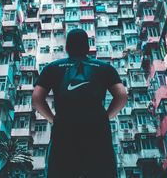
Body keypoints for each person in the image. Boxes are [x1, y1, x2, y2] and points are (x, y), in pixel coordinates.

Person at [32, 29, 128, 178]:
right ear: (88, 47)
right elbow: (121, 95)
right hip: (97, 131)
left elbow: (37, 98)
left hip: (64, 131)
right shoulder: (104, 68)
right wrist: (105, 117)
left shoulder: (52, 68)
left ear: (67, 47)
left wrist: (53, 119)